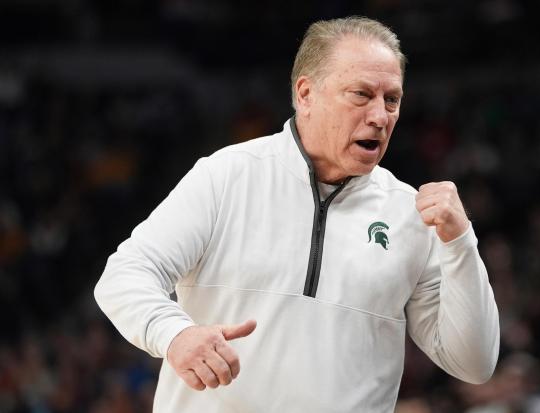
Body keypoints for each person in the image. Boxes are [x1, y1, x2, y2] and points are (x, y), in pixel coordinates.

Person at [94, 16, 500, 412]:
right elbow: (125, 274)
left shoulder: (410, 214)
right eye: (361, 94)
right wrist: (176, 335)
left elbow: (474, 363)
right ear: (305, 94)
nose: (380, 117)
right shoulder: (228, 176)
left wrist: (461, 242)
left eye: (391, 99)